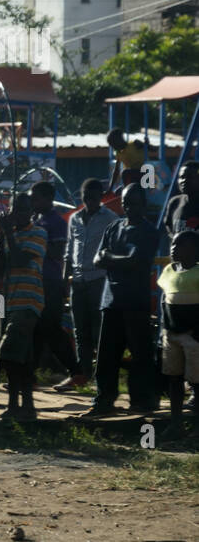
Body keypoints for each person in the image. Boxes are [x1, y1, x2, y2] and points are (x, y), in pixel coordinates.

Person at [83, 184, 158, 417]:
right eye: (125, 202)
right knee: (106, 356)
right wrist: (120, 258)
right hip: (111, 301)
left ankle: (141, 401)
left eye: (133, 202)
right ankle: (103, 400)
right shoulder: (114, 227)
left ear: (143, 205)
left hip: (136, 301)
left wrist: (110, 258)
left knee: (140, 354)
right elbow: (97, 259)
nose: (128, 207)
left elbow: (135, 262)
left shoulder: (149, 231)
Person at [58, 178, 116, 391]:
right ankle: (82, 375)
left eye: (94, 197)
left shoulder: (111, 218)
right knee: (80, 332)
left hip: (99, 280)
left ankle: (101, 378)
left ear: (101, 197)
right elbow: (69, 251)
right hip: (78, 282)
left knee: (99, 332)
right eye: (86, 197)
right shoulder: (74, 219)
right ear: (81, 197)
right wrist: (65, 279)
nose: (90, 201)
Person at [0, 193, 46, 421]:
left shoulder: (39, 232)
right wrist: (0, 235)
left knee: (9, 350)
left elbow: (20, 261)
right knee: (22, 357)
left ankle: (15, 404)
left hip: (29, 300)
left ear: (31, 212)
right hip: (9, 299)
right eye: (16, 210)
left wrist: (8, 236)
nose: (20, 215)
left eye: (25, 210)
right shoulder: (8, 234)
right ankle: (26, 407)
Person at [27, 181, 83, 387]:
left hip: (49, 282)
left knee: (50, 328)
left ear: (48, 199)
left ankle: (76, 371)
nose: (32, 202)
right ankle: (29, 375)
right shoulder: (35, 219)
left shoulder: (56, 222)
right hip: (35, 281)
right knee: (37, 329)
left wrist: (36, 242)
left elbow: (58, 253)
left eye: (36, 198)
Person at [158, 230, 199, 437]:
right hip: (171, 334)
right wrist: (165, 329)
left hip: (193, 337)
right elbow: (165, 300)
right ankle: (176, 423)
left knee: (196, 380)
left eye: (178, 245)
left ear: (193, 250)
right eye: (172, 245)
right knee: (174, 378)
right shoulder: (168, 271)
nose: (173, 249)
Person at [163, 161, 199, 237]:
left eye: (190, 177)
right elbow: (168, 227)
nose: (184, 181)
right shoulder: (174, 202)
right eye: (181, 177)